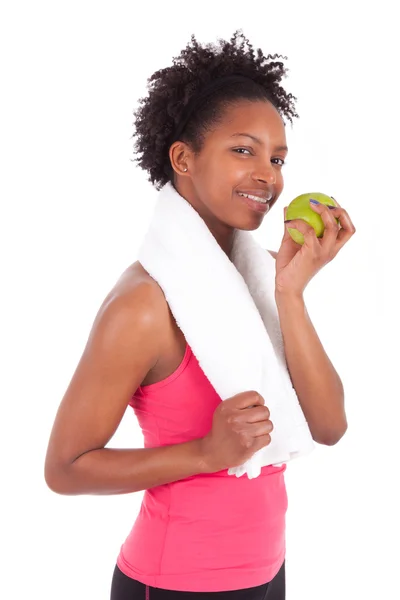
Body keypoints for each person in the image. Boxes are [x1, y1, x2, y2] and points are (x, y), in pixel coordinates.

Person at [44, 30, 355, 599]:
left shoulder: (261, 279)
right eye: (244, 150)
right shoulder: (144, 304)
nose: (270, 175)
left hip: (267, 574)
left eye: (277, 157)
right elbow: (65, 469)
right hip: (173, 584)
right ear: (183, 158)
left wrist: (291, 293)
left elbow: (329, 426)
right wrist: (207, 454)